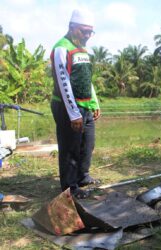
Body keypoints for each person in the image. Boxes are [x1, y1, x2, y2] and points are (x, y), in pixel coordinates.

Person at [50, 9, 101, 199]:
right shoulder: (62, 48)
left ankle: (83, 176)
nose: (87, 36)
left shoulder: (83, 50)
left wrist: (94, 103)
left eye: (90, 32)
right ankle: (70, 188)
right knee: (70, 147)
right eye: (84, 31)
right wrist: (74, 113)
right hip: (67, 107)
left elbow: (86, 79)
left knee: (87, 144)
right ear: (72, 28)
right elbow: (63, 83)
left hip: (85, 106)